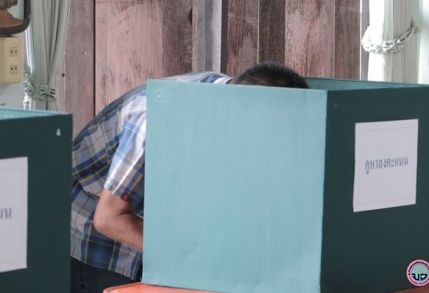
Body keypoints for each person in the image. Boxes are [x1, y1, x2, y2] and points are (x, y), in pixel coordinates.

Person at [70, 62, 308, 293]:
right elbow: (108, 218)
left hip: (152, 221)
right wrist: (195, 260)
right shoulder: (158, 120)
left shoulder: (234, 96)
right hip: (94, 228)